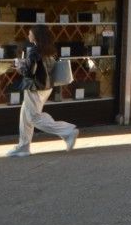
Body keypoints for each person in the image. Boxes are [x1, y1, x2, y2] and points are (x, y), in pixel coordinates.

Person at [8, 24, 78, 157]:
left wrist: (19, 65)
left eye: (30, 33)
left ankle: (68, 131)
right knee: (25, 116)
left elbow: (29, 72)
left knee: (34, 117)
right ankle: (23, 146)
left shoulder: (34, 50)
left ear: (35, 36)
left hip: (35, 88)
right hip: (46, 87)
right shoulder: (49, 49)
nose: (28, 35)